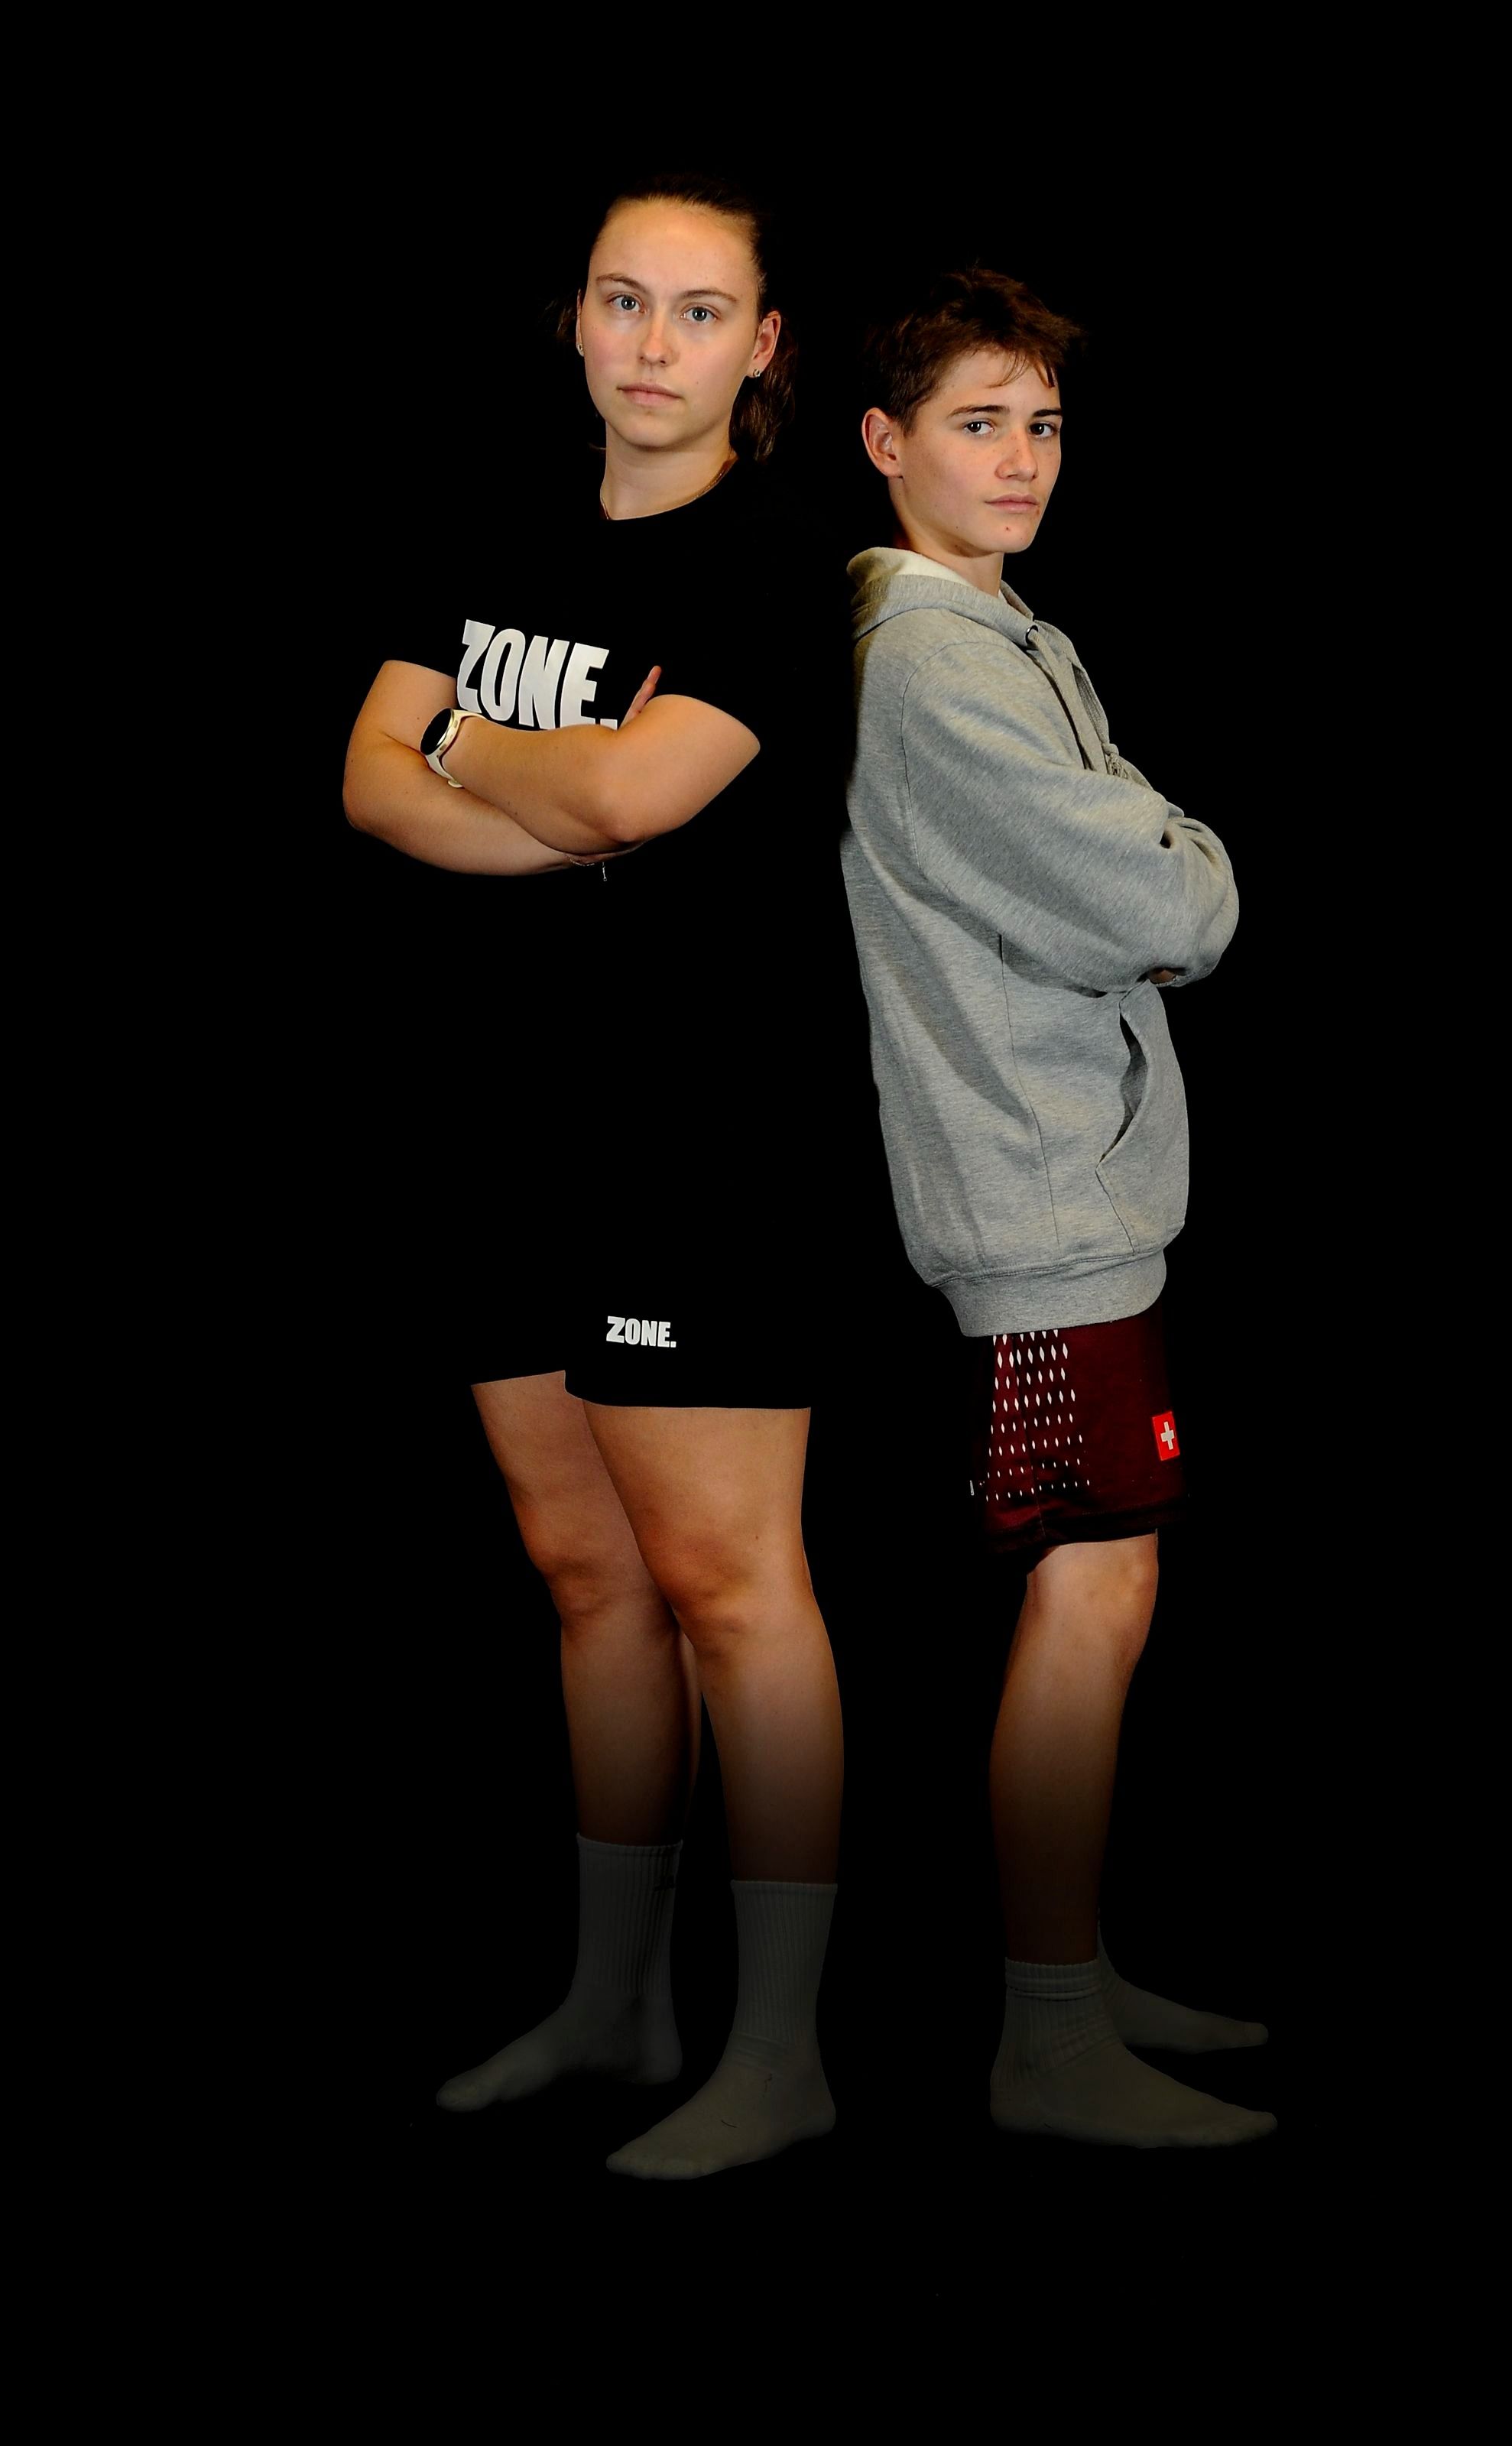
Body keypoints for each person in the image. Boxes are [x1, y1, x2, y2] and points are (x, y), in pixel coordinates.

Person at [341, 172, 852, 2180]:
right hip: (499, 1123)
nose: (652, 343)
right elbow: (365, 783)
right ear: (572, 317)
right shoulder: (491, 523)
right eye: (622, 300)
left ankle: (781, 2047)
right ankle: (616, 2000)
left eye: (698, 311)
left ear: (762, 345)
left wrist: (476, 751)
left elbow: (638, 790)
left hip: (702, 1136)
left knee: (734, 1589)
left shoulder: (779, 561)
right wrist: (545, 796)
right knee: (587, 1580)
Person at [842, 268, 1276, 2148]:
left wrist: (1154, 877)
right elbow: (1172, 904)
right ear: (886, 442)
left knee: (1104, 1580)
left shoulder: (997, 628)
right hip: (1032, 1205)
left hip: (1067, 1189)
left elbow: (1131, 885)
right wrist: (1181, 875)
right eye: (977, 424)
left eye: (1043, 426)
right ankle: (1048, 2037)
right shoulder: (934, 661)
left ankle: (1071, 1976)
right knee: (1092, 1590)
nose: (1021, 460)